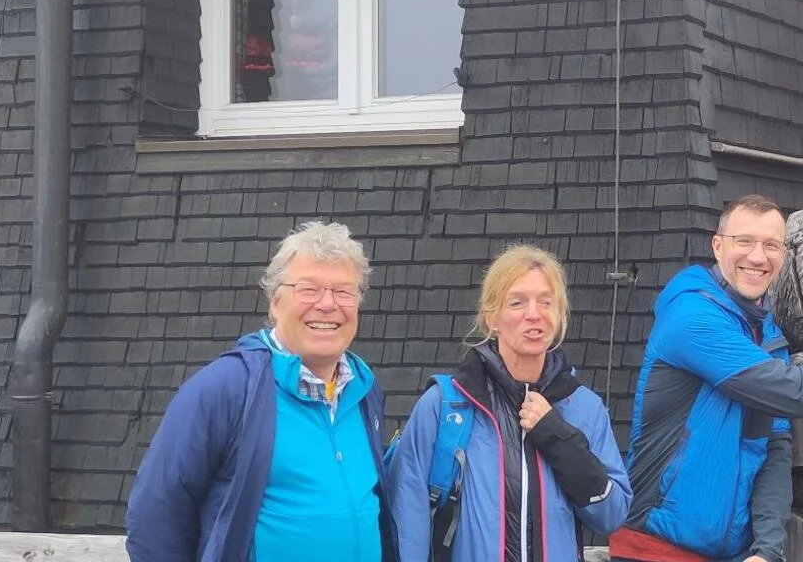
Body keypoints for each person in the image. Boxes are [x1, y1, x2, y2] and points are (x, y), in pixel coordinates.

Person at [612, 194, 803, 562]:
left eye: (771, 245)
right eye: (744, 241)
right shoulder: (692, 316)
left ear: (783, 254)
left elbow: (774, 449)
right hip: (654, 547)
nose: (758, 257)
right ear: (717, 246)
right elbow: (791, 391)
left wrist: (767, 550)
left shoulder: (768, 335)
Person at [127, 221, 392, 562]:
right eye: (308, 289)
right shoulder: (225, 388)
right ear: (275, 303)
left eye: (344, 291)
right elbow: (153, 518)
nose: (327, 304)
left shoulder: (364, 391)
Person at [385, 244, 631, 561]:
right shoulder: (444, 406)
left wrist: (558, 438)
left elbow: (612, 514)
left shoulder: (584, 407)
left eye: (546, 302)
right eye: (517, 302)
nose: (534, 314)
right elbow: (406, 524)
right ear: (492, 318)